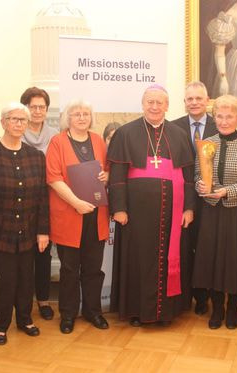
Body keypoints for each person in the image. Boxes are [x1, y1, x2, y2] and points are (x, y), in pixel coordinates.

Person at [108, 85, 195, 326]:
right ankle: (138, 311)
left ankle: (166, 311)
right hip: (136, 214)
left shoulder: (178, 134)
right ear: (143, 104)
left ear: (167, 106)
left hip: (171, 212)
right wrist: (119, 208)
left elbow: (188, 176)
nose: (155, 107)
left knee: (169, 256)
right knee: (138, 259)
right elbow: (117, 174)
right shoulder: (125, 133)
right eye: (150, 102)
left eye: (159, 103)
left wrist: (188, 208)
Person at [0, 103, 49, 345]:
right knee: (6, 279)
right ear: (3, 122)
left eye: (22, 120)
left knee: (27, 277)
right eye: (13, 119)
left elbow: (42, 198)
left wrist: (43, 231)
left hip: (28, 230)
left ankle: (25, 319)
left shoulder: (36, 157)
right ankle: (1, 324)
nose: (18, 124)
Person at [192, 94, 237, 330]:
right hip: (212, 214)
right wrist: (200, 186)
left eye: (229, 116)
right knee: (212, 263)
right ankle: (217, 310)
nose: (224, 121)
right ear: (214, 117)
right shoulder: (206, 144)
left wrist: (226, 192)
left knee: (236, 263)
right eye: (220, 116)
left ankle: (232, 310)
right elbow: (197, 176)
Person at [46, 100, 110, 334]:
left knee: (94, 268)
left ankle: (93, 312)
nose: (82, 117)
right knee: (70, 269)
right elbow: (53, 178)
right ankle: (68, 314)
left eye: (86, 113)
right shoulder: (58, 142)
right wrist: (76, 203)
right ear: (68, 118)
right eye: (76, 114)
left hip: (96, 216)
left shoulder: (98, 141)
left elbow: (107, 171)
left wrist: (106, 177)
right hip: (70, 214)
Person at [171, 81, 218, 316]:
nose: (194, 103)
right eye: (190, 99)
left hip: (211, 200)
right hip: (181, 199)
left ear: (207, 100)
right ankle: (184, 295)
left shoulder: (219, 125)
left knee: (206, 249)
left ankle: (203, 297)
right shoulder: (173, 127)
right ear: (184, 102)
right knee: (184, 247)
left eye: (199, 98)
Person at [20, 87, 59, 321]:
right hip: (20, 203)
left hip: (47, 201)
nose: (37, 111)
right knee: (23, 257)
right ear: (25, 108)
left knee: (43, 254)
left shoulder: (55, 135)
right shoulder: (15, 130)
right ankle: (23, 302)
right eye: (32, 106)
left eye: (41, 107)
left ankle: (43, 300)